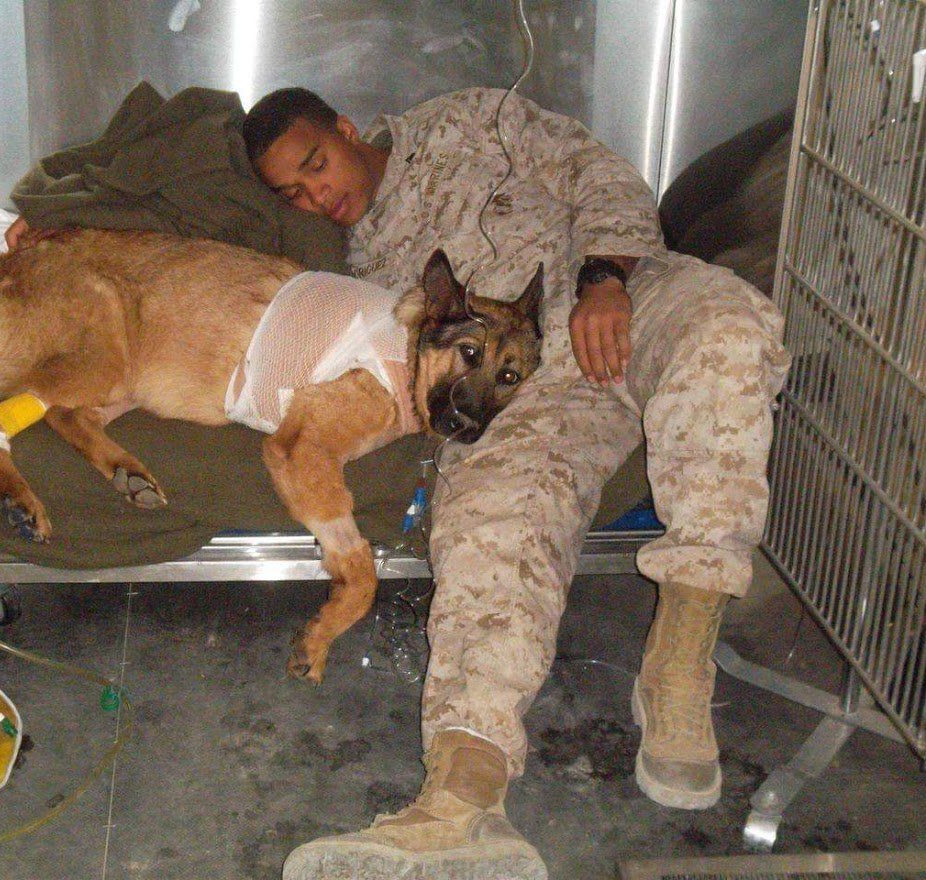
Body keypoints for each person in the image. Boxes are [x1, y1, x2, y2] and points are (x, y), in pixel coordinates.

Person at [240, 87, 791, 878]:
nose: (316, 196)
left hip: (624, 297)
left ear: (348, 130)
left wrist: (605, 280)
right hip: (526, 394)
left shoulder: (468, 121)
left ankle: (680, 659)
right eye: (294, 192)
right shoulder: (356, 256)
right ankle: (462, 797)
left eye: (317, 165)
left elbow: (595, 172)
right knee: (489, 520)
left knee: (730, 331)